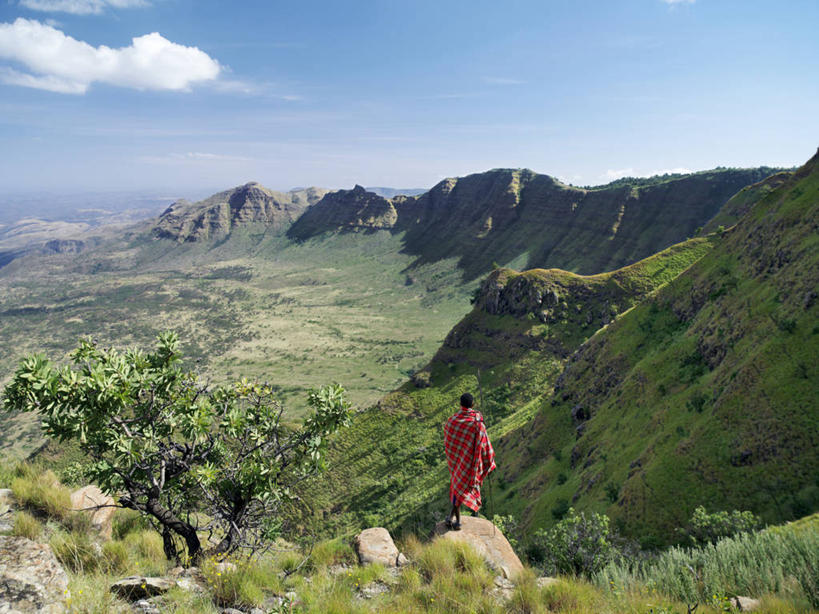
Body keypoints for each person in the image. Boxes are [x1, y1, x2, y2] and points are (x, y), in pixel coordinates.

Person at [443, 392, 495, 530]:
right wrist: (487, 461)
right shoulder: (478, 424)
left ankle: (456, 520)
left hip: (458, 463)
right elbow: (485, 445)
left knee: (457, 488)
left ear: (460, 404)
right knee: (469, 487)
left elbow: (448, 440)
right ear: (473, 405)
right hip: (473, 464)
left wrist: (457, 456)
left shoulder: (452, 420)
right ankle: (462, 518)